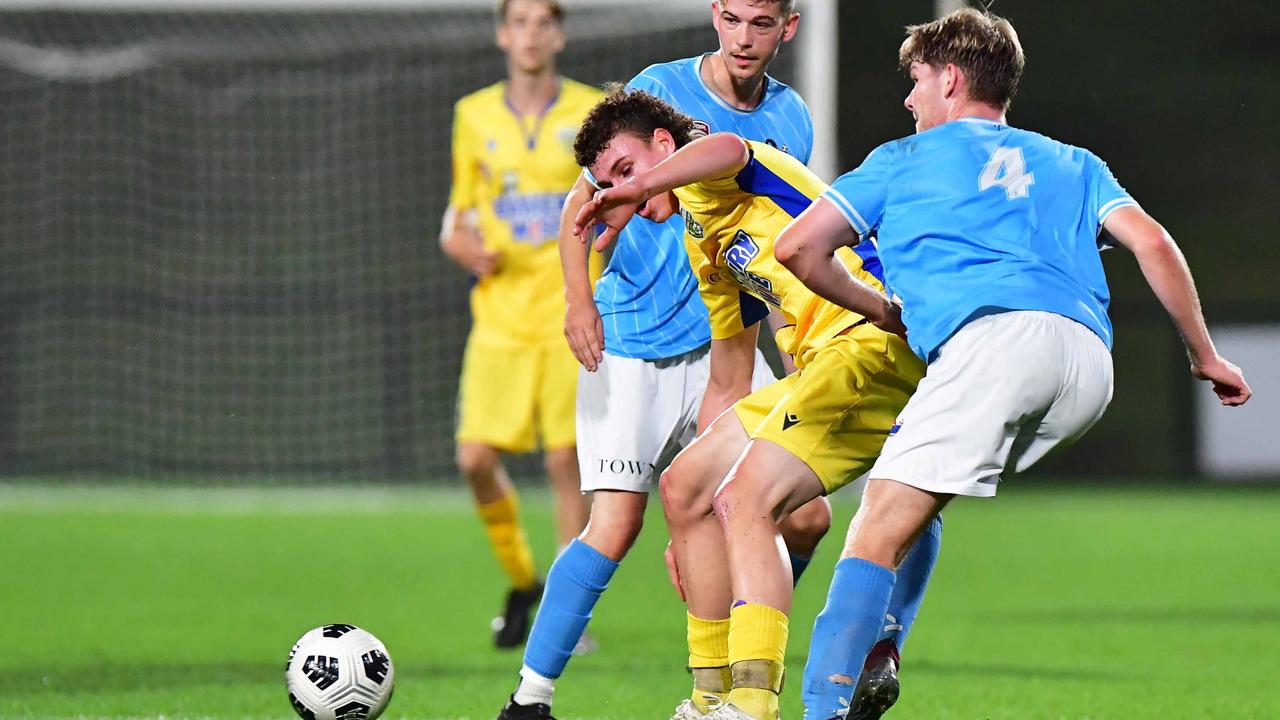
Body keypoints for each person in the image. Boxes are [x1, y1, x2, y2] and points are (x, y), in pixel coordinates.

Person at [768, 9, 1253, 718]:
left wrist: (875, 306)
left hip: (993, 346)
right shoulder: (1072, 160)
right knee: (919, 490)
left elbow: (795, 251)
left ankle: (823, 708)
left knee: (874, 521)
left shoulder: (898, 162)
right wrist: (1203, 353)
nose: (908, 98)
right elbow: (1152, 244)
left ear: (952, 79)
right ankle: (885, 641)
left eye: (917, 80)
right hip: (1088, 367)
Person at [497, 2, 833, 718]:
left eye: (761, 23)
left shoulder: (793, 118)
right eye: (734, 19)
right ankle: (530, 698)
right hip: (631, 346)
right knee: (614, 526)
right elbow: (583, 203)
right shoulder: (658, 88)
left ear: (788, 28)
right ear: (716, 15)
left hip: (726, 347)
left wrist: (790, 334)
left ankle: (736, 650)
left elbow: (776, 240)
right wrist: (577, 300)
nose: (745, 38)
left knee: (806, 518)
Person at [572, 88, 942, 720]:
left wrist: (641, 186)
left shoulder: (719, 169)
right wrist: (698, 511)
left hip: (872, 342)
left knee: (743, 499)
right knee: (687, 488)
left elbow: (725, 146)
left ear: (665, 146)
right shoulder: (702, 231)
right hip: (826, 363)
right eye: (606, 184)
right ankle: (709, 696)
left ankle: (751, 704)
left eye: (626, 172)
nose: (621, 195)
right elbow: (729, 372)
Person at [441, 0, 604, 649]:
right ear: (501, 33)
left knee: (566, 459)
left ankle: (566, 617)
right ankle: (523, 578)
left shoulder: (591, 111)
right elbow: (457, 215)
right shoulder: (472, 114)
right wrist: (461, 245)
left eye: (544, 21)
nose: (531, 34)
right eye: (520, 22)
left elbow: (611, 199)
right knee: (475, 458)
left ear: (559, 34)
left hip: (567, 307)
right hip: (500, 315)